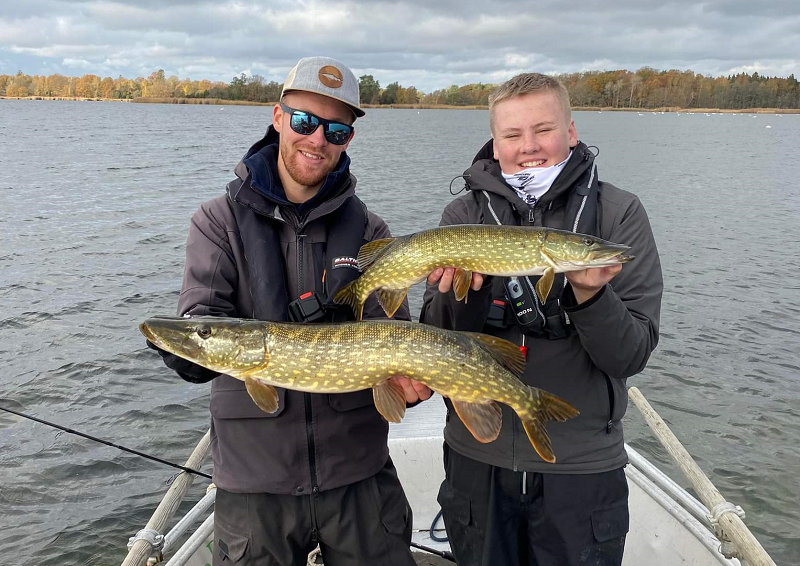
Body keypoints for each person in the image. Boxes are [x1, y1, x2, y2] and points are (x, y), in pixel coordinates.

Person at [149, 56, 429, 566]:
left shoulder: (370, 231)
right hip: (255, 483)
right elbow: (201, 322)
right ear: (277, 117)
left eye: (336, 130)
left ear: (348, 139)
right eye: (304, 121)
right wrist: (185, 346)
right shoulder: (218, 222)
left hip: (359, 476)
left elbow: (394, 335)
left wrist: (412, 385)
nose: (317, 140)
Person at [419, 73, 663, 566]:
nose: (528, 147)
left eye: (543, 130)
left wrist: (591, 296)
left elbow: (631, 354)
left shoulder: (618, 214)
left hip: (581, 469)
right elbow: (437, 339)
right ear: (496, 140)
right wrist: (463, 292)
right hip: (477, 459)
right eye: (512, 135)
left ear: (571, 132)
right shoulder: (463, 213)